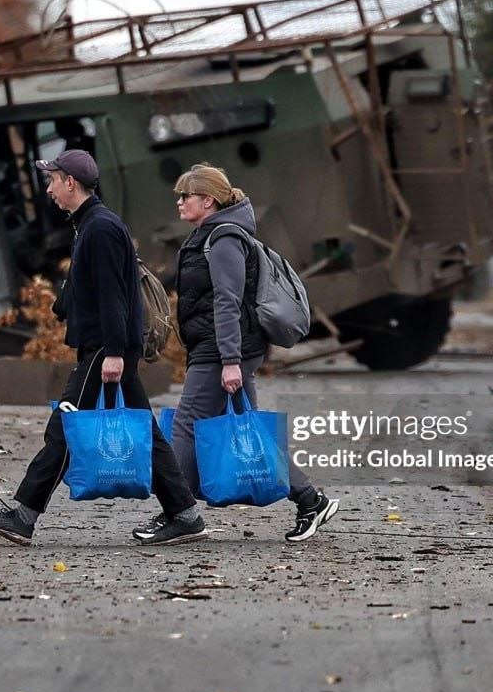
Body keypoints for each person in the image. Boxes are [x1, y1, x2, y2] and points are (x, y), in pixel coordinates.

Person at [0, 149, 207, 547]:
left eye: (52, 181)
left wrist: (115, 352)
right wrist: (65, 303)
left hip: (105, 348)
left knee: (66, 426)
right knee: (145, 433)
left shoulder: (99, 228)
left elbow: (115, 295)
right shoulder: (90, 224)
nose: (48, 190)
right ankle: (183, 514)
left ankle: (24, 515)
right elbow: (95, 284)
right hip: (106, 345)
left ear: (71, 183)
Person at [135, 164, 340, 542]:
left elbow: (227, 303)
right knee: (252, 431)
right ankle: (311, 501)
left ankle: (178, 514)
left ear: (208, 200)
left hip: (222, 351)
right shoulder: (207, 235)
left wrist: (229, 361)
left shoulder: (224, 239)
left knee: (186, 425)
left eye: (186, 196)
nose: (179, 202)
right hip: (220, 349)